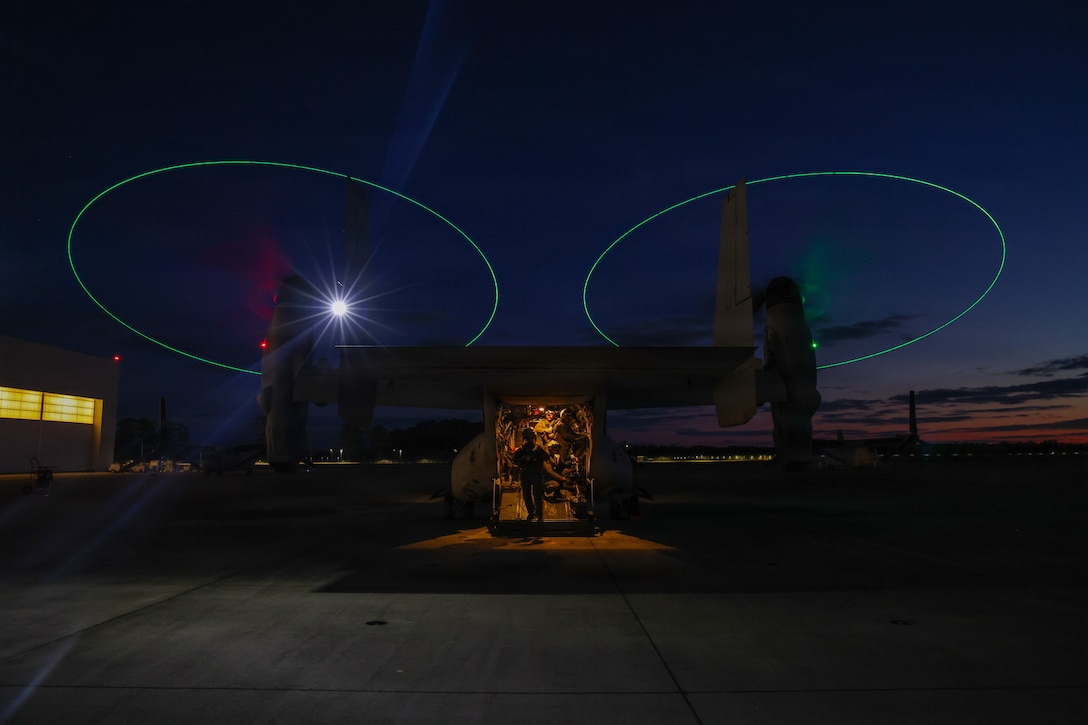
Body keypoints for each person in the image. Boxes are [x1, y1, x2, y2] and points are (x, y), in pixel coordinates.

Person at [513, 429, 549, 521]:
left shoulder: (538, 449)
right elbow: (515, 460)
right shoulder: (522, 449)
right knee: (527, 495)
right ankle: (531, 512)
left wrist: (537, 457)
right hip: (526, 474)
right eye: (529, 439)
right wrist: (526, 460)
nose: (530, 440)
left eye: (532, 438)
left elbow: (546, 457)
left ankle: (539, 513)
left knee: (537, 495)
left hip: (536, 473)